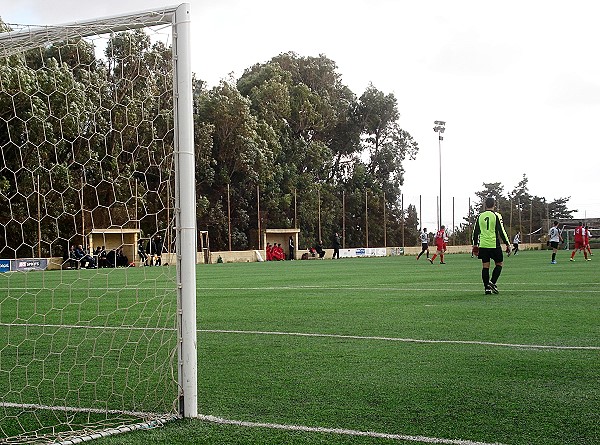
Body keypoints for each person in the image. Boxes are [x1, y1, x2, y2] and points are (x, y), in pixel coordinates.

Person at [472, 197, 511, 295]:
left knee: (485, 266)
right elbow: (501, 231)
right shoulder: (496, 215)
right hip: (494, 244)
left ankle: (487, 288)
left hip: (483, 244)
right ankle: (492, 282)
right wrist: (507, 244)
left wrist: (475, 244)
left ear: (485, 205)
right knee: (499, 264)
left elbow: (475, 232)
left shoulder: (480, 216)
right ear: (494, 205)